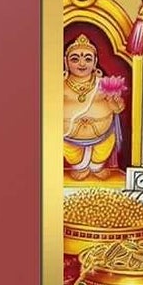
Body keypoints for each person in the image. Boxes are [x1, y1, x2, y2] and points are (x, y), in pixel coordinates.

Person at [61, 33, 126, 179]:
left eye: (88, 59)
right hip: (69, 137)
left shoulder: (103, 83)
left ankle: (97, 166)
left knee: (104, 147)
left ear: (95, 62)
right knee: (70, 151)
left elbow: (118, 109)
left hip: (102, 135)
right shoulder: (60, 84)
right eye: (75, 59)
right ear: (65, 61)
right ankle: (79, 167)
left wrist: (114, 102)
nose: (82, 64)